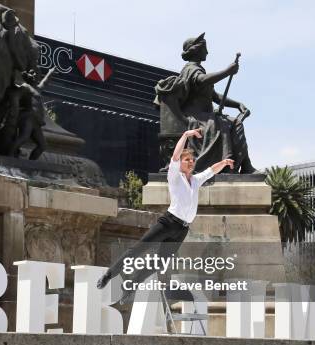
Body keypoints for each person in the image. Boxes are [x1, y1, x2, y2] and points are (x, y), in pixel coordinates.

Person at [96, 128, 235, 297]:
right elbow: (175, 156)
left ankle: (131, 284)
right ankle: (109, 275)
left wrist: (224, 163)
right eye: (187, 160)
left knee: (159, 262)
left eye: (192, 160)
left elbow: (210, 171)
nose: (191, 162)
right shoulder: (175, 176)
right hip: (168, 222)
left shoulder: (196, 181)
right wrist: (186, 135)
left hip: (182, 230)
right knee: (139, 249)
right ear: (180, 163)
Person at [155, 33, 256, 174]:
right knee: (232, 124)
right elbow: (201, 80)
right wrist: (227, 72)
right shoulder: (191, 69)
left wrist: (237, 104)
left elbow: (215, 96)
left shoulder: (198, 70)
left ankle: (245, 165)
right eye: (205, 49)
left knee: (233, 123)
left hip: (205, 117)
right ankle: (244, 166)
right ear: (196, 50)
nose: (207, 52)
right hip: (198, 119)